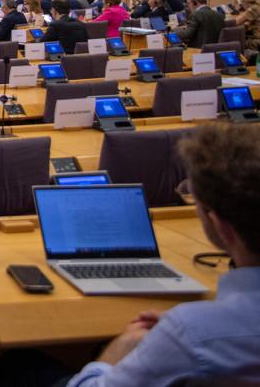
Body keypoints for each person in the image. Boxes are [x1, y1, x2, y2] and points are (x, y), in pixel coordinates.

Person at [64, 121, 260, 386]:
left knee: (22, 364)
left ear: (221, 227)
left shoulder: (191, 334)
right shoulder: (193, 330)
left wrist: (119, 349)